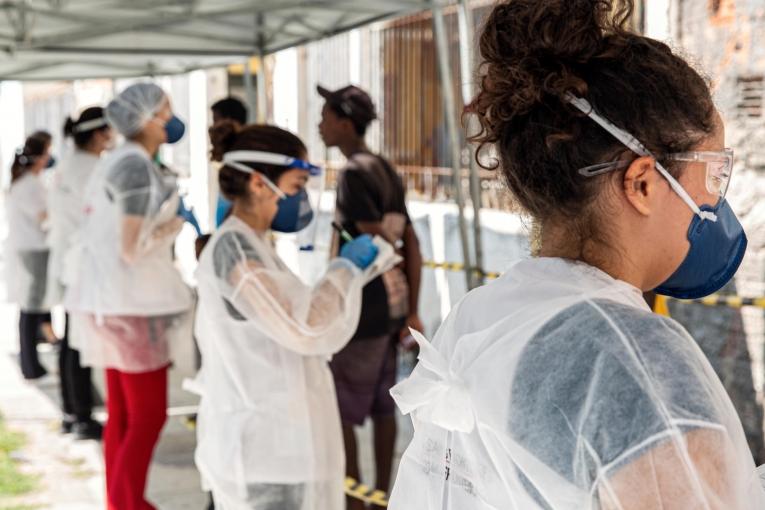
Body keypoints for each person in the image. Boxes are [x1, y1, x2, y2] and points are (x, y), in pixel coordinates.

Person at [387, 0, 765, 508]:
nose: (716, 200)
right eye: (715, 174)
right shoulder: (632, 356)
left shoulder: (484, 313)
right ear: (644, 183)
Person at [190, 121, 396, 510]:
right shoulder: (235, 249)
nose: (300, 199)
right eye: (296, 186)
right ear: (257, 183)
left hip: (279, 442)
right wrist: (344, 270)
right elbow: (304, 327)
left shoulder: (252, 245)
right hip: (264, 450)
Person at [64, 83, 194, 510]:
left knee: (121, 414)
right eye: (166, 109)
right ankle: (127, 503)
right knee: (149, 415)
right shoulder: (135, 166)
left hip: (109, 301)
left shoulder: (117, 160)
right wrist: (173, 224)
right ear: (147, 118)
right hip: (132, 306)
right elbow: (131, 246)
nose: (172, 117)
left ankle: (121, 500)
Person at [318, 84, 423, 509]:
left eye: (325, 116)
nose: (319, 124)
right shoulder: (382, 167)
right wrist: (412, 306)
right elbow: (409, 242)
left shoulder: (353, 173)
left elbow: (375, 240)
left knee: (340, 405)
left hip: (362, 308)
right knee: (383, 405)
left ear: (344, 122)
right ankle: (381, 496)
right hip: (392, 306)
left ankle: (355, 498)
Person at [44, 107, 113, 440]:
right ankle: (81, 413)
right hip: (81, 262)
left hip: (71, 261)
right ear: (99, 133)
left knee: (72, 339)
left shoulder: (71, 163)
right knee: (77, 342)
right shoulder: (91, 168)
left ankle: (73, 410)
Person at [5, 132, 58, 380]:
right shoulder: (28, 185)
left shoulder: (29, 182)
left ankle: (36, 353)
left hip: (33, 248)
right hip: (33, 249)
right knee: (32, 305)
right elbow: (44, 216)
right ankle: (31, 366)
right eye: (48, 151)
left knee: (34, 304)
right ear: (39, 156)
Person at [211, 97, 249, 227]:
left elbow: (238, 202)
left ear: (229, 121)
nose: (213, 127)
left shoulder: (242, 155)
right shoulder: (230, 154)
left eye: (215, 120)